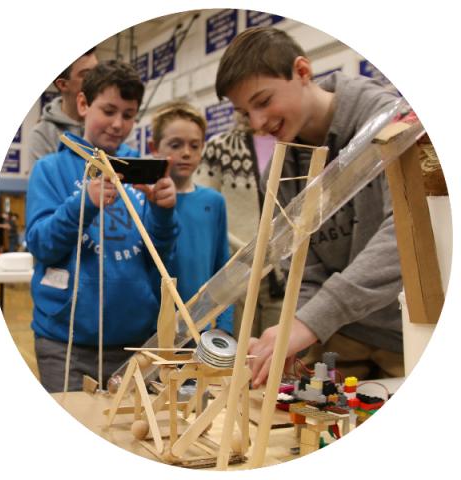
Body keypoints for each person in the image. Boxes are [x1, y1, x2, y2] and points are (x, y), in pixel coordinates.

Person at [215, 26, 405, 386]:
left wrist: (308, 322)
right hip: (339, 337)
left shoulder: (391, 123)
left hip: (409, 332)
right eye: (245, 113)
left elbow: (404, 239)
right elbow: (305, 269)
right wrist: (289, 331)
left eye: (263, 101)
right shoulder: (279, 172)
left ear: (302, 72)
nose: (257, 124)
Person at [26, 60, 179, 393]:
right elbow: (41, 245)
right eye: (108, 110)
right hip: (64, 343)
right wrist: (84, 204)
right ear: (83, 104)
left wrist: (164, 211)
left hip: (137, 343)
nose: (117, 124)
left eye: (128, 114)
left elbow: (160, 256)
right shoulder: (49, 170)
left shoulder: (141, 170)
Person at [195, 114, 284, 339]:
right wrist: (247, 250)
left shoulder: (294, 144)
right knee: (237, 353)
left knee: (281, 356)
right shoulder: (220, 147)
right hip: (238, 268)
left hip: (284, 271)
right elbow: (205, 209)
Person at [149, 101, 233, 335]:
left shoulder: (214, 202)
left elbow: (223, 269)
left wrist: (225, 327)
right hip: (153, 331)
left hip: (202, 330)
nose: (186, 153)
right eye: (175, 145)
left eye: (194, 146)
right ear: (154, 147)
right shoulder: (146, 200)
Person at [26, 47, 98, 171]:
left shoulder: (111, 123)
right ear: (63, 84)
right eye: (86, 75)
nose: (98, 81)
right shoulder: (43, 135)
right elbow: (45, 187)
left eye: (98, 72)